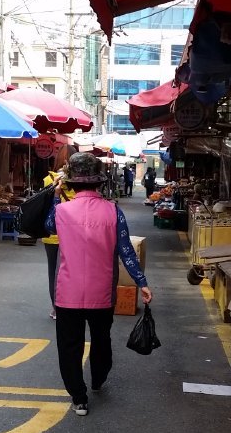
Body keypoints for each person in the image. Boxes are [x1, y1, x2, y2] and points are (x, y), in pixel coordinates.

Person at [45, 152, 152, 417]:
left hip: (67, 293)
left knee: (69, 345)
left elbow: (47, 226)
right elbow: (127, 250)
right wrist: (142, 282)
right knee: (101, 339)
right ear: (99, 183)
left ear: (71, 182)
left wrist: (56, 195)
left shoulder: (60, 211)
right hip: (102, 292)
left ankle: (79, 398)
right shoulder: (113, 211)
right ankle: (98, 379)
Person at [41, 169, 74, 319]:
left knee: (52, 271)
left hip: (51, 233)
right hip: (71, 234)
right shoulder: (77, 181)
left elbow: (44, 204)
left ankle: (55, 308)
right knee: (70, 272)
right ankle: (69, 305)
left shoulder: (48, 179)